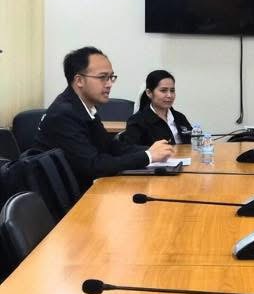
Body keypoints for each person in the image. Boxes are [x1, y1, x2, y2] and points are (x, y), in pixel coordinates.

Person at [35, 47, 174, 190]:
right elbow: (94, 165)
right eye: (102, 77)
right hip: (70, 199)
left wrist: (151, 149)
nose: (109, 84)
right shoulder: (63, 114)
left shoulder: (84, 107)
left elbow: (109, 146)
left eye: (111, 77)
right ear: (79, 80)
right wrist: (148, 156)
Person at [122, 69, 193, 146]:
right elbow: (131, 150)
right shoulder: (137, 121)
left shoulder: (180, 118)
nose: (169, 95)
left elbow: (193, 142)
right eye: (163, 90)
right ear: (149, 93)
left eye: (172, 90)